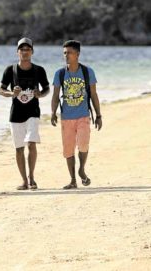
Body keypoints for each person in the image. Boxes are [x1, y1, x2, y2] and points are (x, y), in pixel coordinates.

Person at [51, 40, 102, 189]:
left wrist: (98, 115)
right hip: (66, 117)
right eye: (65, 53)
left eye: (70, 53)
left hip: (83, 116)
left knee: (83, 144)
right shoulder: (59, 74)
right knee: (68, 149)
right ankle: (73, 180)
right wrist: (53, 113)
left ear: (77, 54)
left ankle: (81, 169)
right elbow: (55, 95)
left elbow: (93, 94)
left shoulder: (87, 72)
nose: (66, 55)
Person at [0, 38, 50, 190]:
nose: (25, 52)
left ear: (32, 52)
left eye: (28, 49)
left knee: (32, 143)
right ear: (18, 52)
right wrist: (11, 94)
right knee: (19, 148)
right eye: (22, 49)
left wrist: (40, 94)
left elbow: (47, 88)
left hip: (33, 112)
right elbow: (1, 90)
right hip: (16, 114)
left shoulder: (39, 70)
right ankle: (24, 181)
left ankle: (32, 178)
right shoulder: (11, 70)